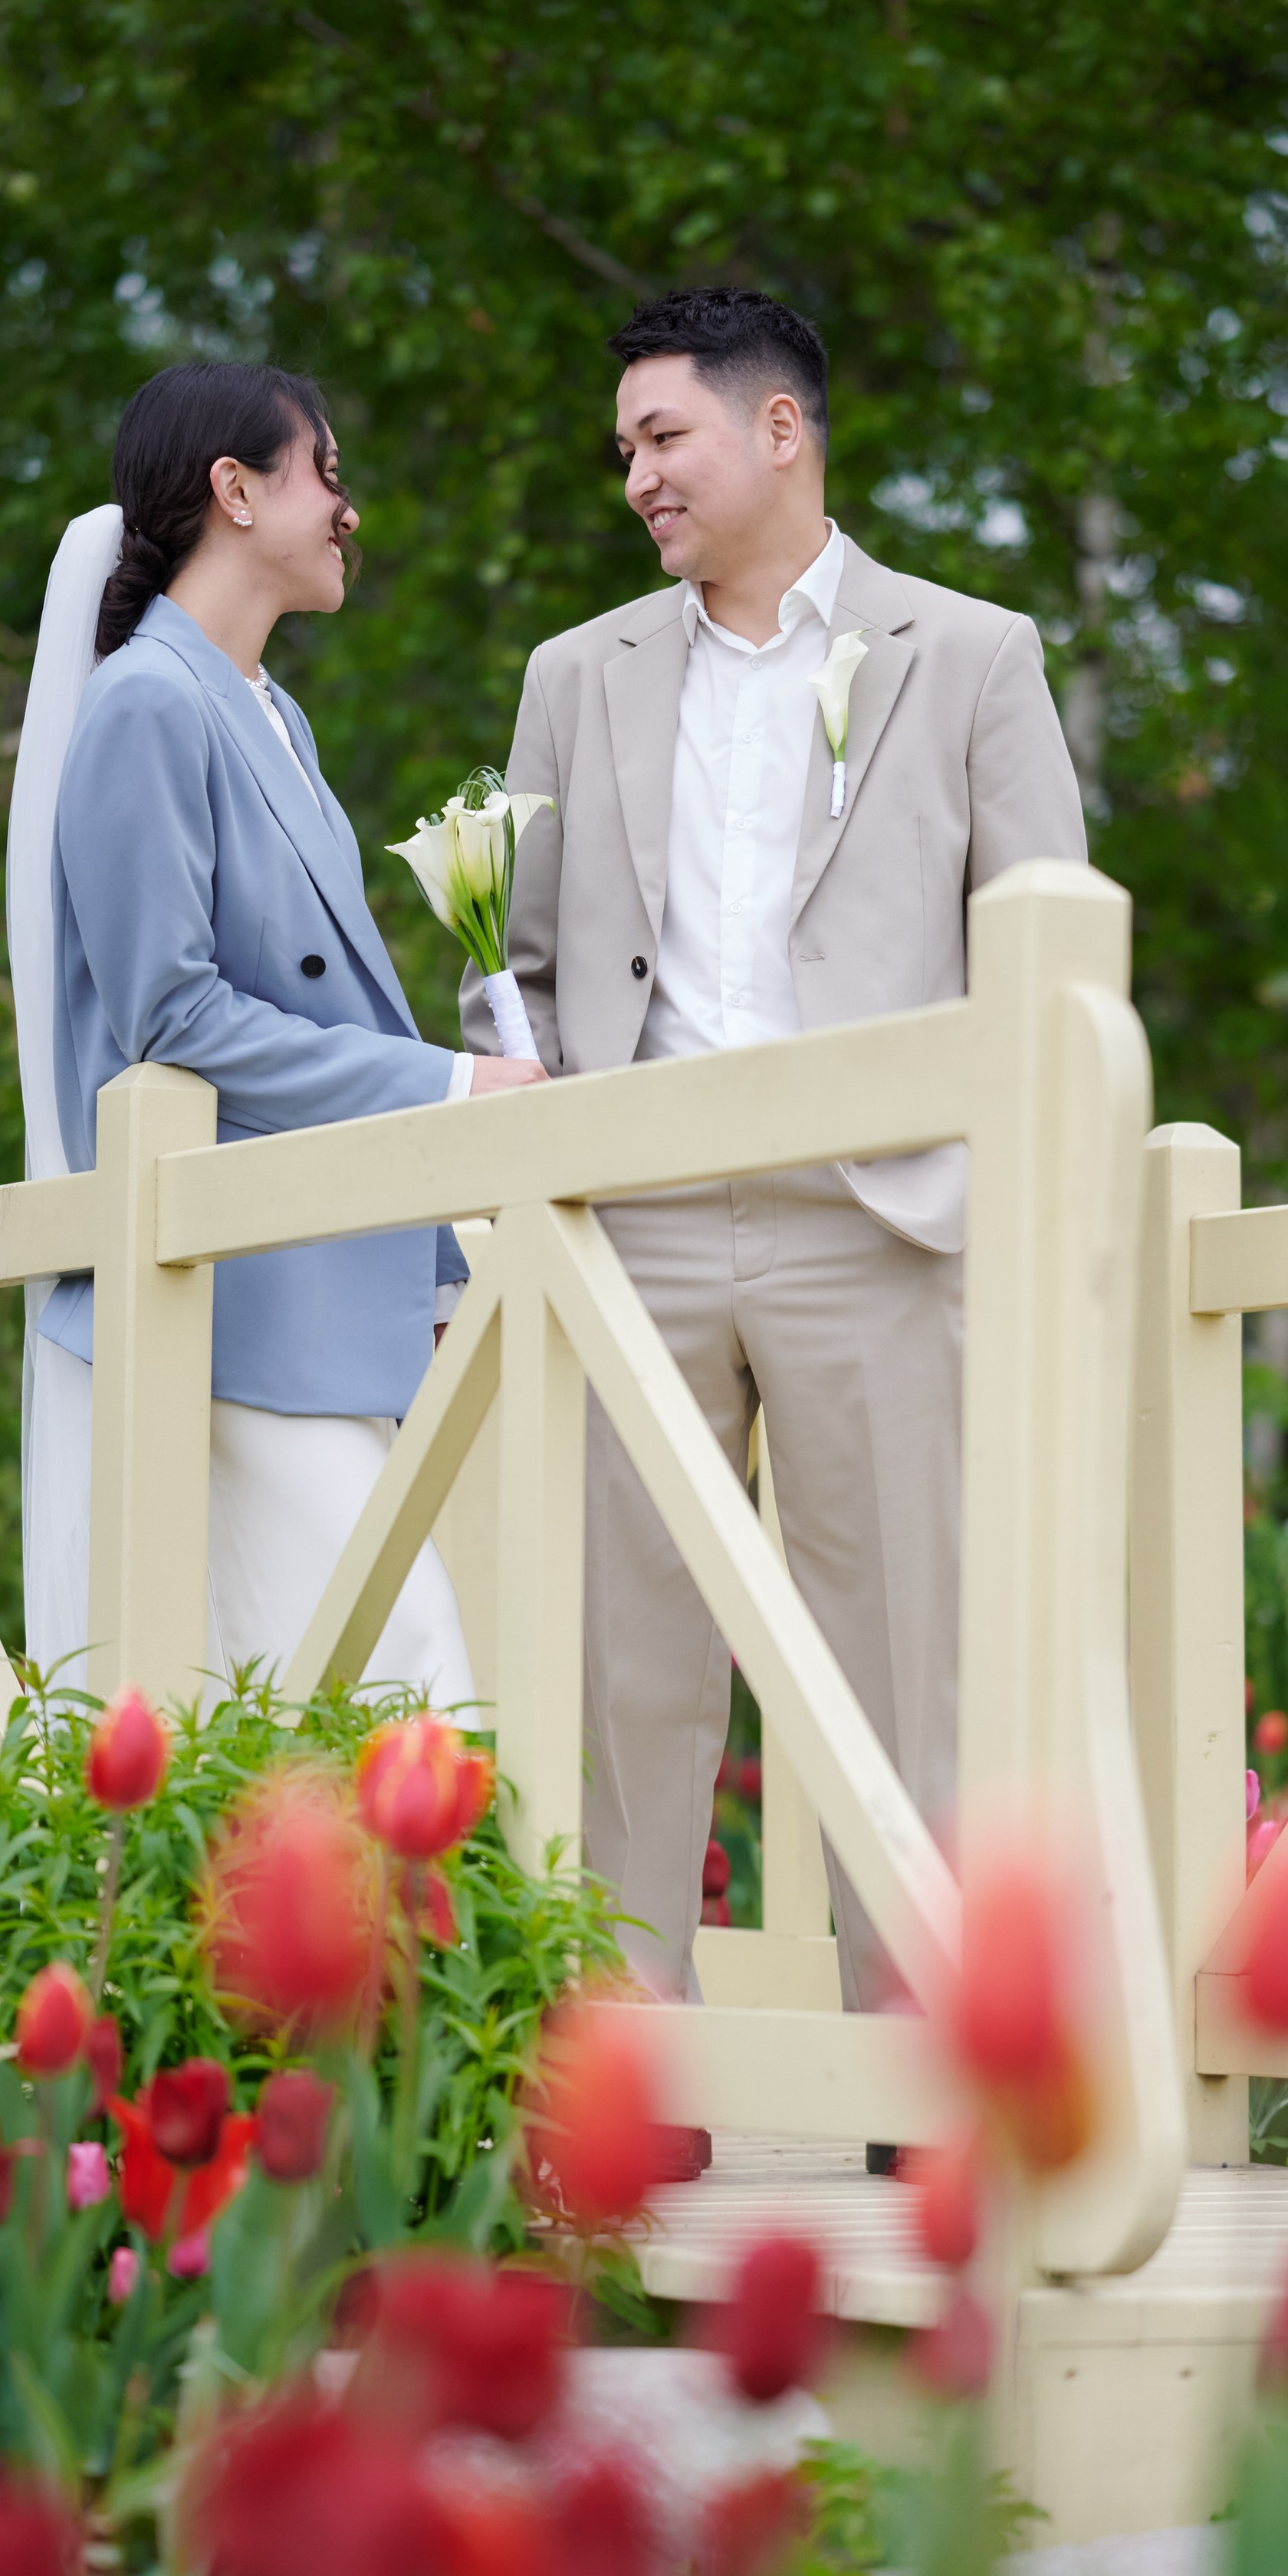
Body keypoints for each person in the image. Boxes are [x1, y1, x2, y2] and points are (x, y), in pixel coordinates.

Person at [465, 286, 1084, 2065]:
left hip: (874, 1220)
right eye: (625, 453)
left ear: (778, 431)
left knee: (905, 1663)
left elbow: (1050, 951)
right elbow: (505, 961)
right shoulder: (572, 678)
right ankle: (626, 2069)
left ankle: (923, 2065)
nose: (636, 479)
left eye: (661, 438)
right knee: (620, 1671)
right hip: (630, 1228)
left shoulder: (967, 654)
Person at [8, 360, 545, 1697]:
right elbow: (173, 1018)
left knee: (356, 1710)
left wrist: (432, 1270)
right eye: (328, 473)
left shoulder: (271, 713)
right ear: (234, 492)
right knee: (407, 1691)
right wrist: (451, 1087)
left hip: (302, 1292)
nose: (347, 510)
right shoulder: (145, 700)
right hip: (226, 1304)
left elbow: (317, 1005)